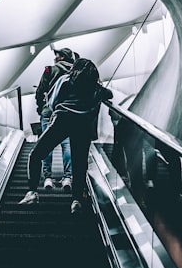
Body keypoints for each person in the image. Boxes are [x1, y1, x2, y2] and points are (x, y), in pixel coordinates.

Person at [20, 57, 113, 214]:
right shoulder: (95, 87)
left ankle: (32, 193)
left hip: (62, 120)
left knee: (36, 155)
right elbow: (109, 95)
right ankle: (76, 201)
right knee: (79, 164)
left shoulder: (65, 79)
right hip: (83, 125)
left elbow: (53, 101)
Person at [35, 47, 76, 191]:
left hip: (49, 112)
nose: (55, 57)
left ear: (63, 57)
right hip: (68, 112)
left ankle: (47, 178)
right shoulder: (76, 72)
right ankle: (67, 178)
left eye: (57, 55)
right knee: (67, 145)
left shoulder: (49, 70)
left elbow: (40, 91)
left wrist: (41, 108)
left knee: (46, 145)